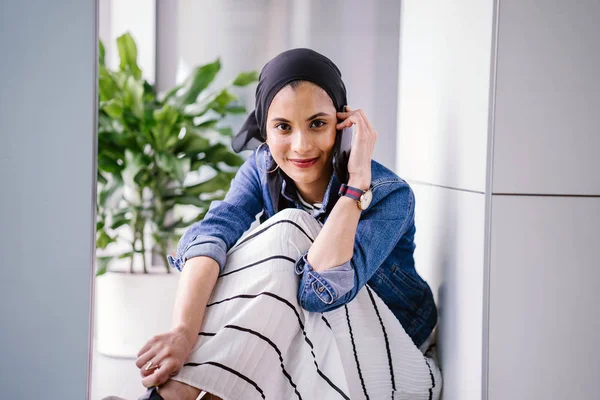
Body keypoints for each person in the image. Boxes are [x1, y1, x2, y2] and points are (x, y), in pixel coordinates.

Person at [104, 48, 441, 400]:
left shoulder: (388, 195)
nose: (301, 145)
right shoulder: (262, 168)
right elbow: (210, 236)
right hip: (310, 342)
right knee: (253, 262)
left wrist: (355, 186)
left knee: (289, 231)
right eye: (283, 127)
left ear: (343, 123)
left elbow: (318, 293)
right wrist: (182, 333)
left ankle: (173, 395)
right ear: (264, 130)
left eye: (317, 123)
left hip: (387, 355)